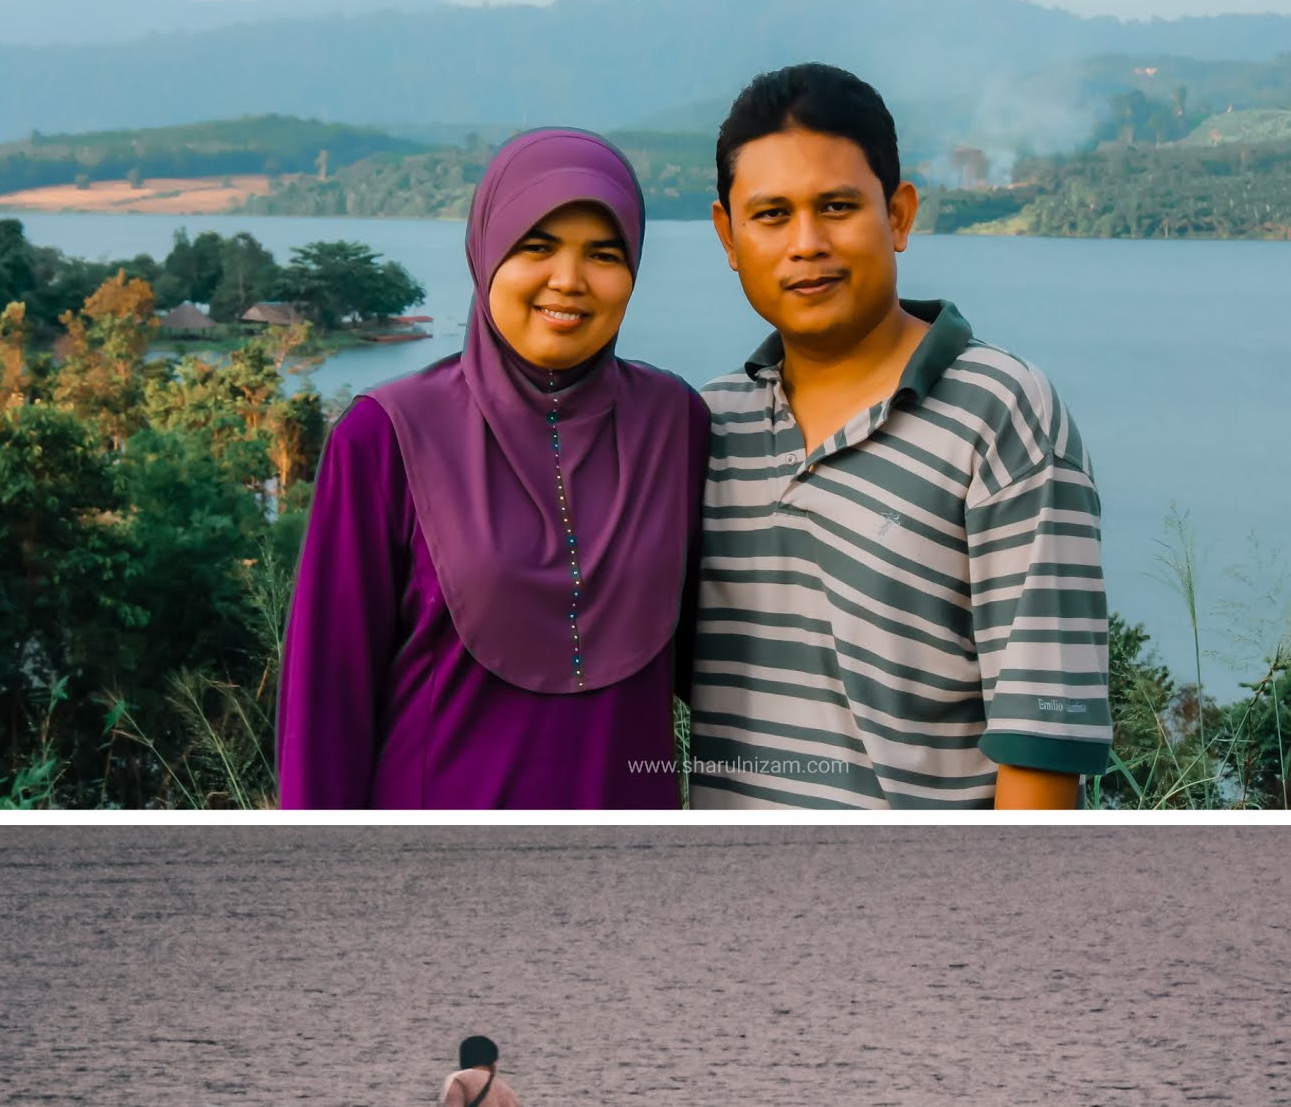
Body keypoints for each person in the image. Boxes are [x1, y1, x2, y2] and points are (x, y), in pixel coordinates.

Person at [690, 63, 1112, 810]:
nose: (807, 243)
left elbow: (1041, 750)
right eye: (771, 214)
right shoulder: (704, 426)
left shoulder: (1000, 414)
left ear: (900, 215)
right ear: (728, 234)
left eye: (838, 206)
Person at [277, 129, 710, 810]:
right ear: (486, 251)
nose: (568, 280)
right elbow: (326, 708)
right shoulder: (385, 436)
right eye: (536, 247)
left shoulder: (676, 424)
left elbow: (724, 657)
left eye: (603, 253)